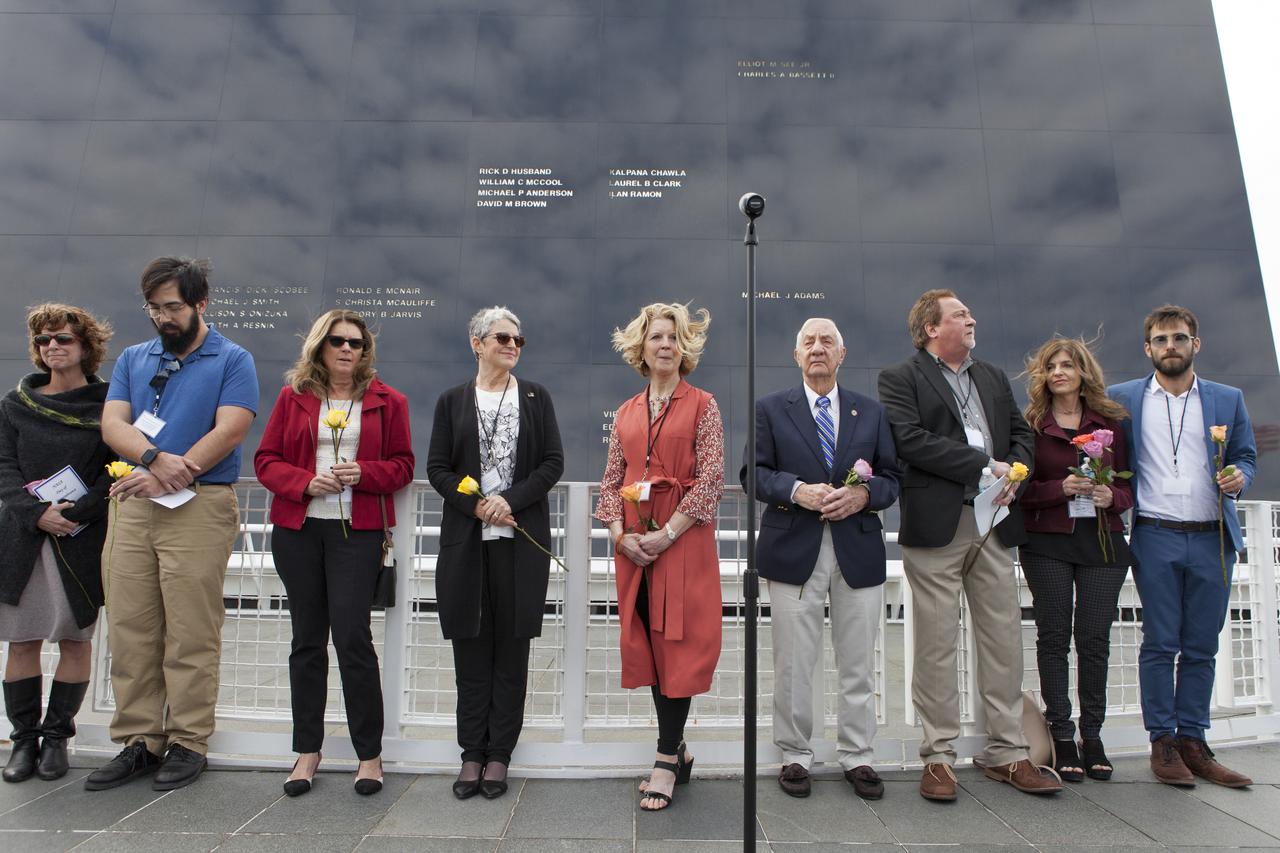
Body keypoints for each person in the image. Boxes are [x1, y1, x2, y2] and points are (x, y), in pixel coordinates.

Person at [877, 289, 1060, 800]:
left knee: (1003, 639)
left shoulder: (993, 377)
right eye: (960, 314)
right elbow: (909, 441)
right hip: (940, 523)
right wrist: (983, 467)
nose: (972, 319)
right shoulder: (901, 377)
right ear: (932, 328)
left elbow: (1022, 434)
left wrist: (1017, 471)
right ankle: (938, 757)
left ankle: (1008, 752)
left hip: (996, 522)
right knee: (936, 644)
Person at [86, 257, 258, 792]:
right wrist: (156, 461)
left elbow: (232, 429)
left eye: (174, 307)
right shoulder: (136, 359)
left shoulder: (232, 358)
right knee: (132, 626)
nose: (163, 317)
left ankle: (187, 740)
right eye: (155, 308)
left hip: (200, 504)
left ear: (200, 304)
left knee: (190, 629)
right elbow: (113, 424)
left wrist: (174, 472)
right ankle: (139, 740)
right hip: (135, 504)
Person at [254, 310, 414, 797]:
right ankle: (308, 750)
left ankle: (370, 754)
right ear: (320, 346)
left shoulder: (389, 401)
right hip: (299, 531)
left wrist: (364, 473)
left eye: (357, 343)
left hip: (357, 533)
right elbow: (266, 461)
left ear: (366, 352)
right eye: (338, 341)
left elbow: (403, 466)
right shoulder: (294, 398)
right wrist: (305, 482)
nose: (348, 350)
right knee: (306, 641)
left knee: (352, 639)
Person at [744, 318, 901, 800]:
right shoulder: (771, 409)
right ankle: (795, 754)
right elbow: (755, 475)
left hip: (857, 548)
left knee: (857, 660)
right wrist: (797, 491)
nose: (817, 349)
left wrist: (864, 496)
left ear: (842, 353)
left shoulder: (869, 413)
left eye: (826, 342)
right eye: (808, 342)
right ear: (796, 356)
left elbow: (892, 479)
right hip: (793, 548)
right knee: (794, 661)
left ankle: (858, 756)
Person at [1108, 305, 1256, 789]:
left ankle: (1194, 741)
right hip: (1155, 534)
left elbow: (1246, 456)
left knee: (1202, 645)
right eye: (1160, 340)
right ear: (1147, 348)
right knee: (1159, 641)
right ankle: (1163, 742)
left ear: (1196, 344)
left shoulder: (1227, 399)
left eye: (1179, 338)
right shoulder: (1123, 399)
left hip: (1213, 536)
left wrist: (1240, 478)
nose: (1170, 346)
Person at [426, 307, 563, 801]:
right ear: (477, 343)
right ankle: (470, 754)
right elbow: (438, 468)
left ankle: (500, 753)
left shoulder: (535, 397)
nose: (512, 345)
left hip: (519, 546)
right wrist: (477, 506)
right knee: (470, 650)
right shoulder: (451, 401)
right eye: (502, 337)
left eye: (518, 339)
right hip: (467, 546)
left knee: (512, 652)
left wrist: (511, 500)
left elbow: (552, 463)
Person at [595, 302, 724, 811]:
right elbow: (610, 483)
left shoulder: (704, 404)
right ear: (641, 349)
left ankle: (665, 759)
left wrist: (666, 534)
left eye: (673, 337)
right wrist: (619, 536)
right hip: (634, 547)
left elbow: (711, 479)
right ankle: (678, 749)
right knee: (650, 643)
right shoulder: (626, 411)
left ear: (684, 346)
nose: (666, 345)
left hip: (682, 543)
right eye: (656, 338)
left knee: (678, 643)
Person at [0, 305, 113, 783]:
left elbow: (116, 470)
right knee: (23, 641)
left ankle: (56, 740)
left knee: (75, 638)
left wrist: (76, 514)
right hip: (25, 537)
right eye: (44, 340)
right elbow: (4, 468)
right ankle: (22, 742)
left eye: (63, 339)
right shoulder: (15, 404)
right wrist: (37, 514)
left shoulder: (111, 405)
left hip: (81, 537)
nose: (53, 347)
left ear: (86, 346)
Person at [1018, 337, 1133, 782]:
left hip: (1102, 541)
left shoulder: (1111, 425)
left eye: (1067, 365)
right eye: (1051, 367)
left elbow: (1130, 488)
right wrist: (1058, 490)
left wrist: (1112, 496)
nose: (1059, 372)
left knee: (1094, 639)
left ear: (1083, 371)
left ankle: (1093, 735)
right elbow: (1021, 490)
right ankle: (1062, 735)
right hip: (1047, 540)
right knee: (1053, 637)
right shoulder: (1032, 424)